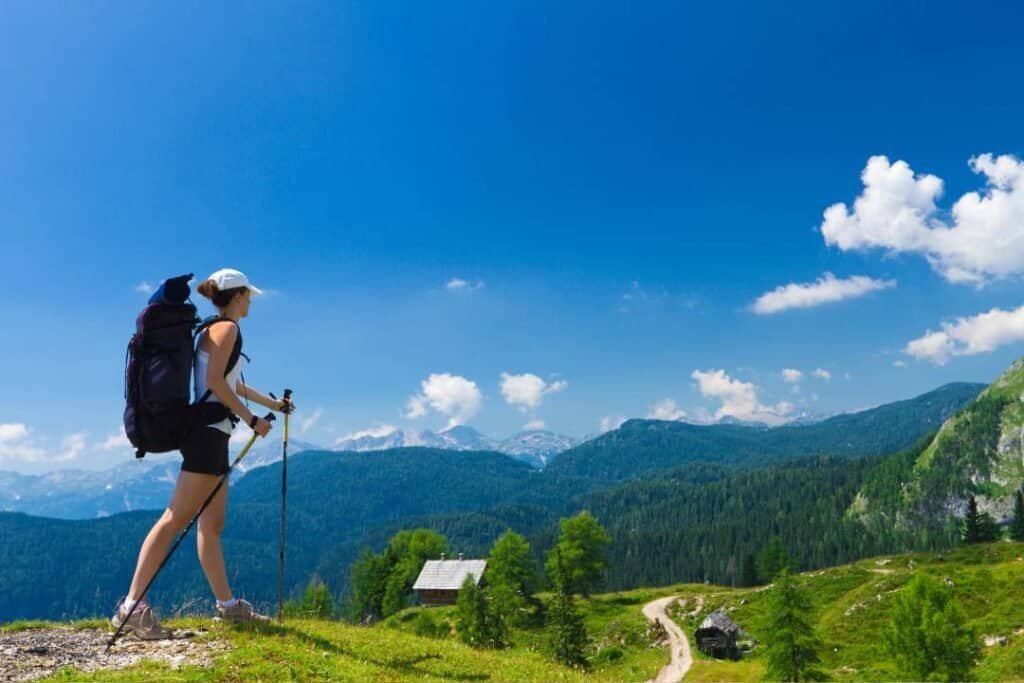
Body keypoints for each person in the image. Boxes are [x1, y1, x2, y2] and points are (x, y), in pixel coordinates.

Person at [110, 268, 293, 639]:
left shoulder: (213, 329)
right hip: (208, 433)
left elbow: (232, 382)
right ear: (238, 296)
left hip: (209, 432)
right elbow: (214, 385)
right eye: (249, 296)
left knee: (211, 525)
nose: (252, 301)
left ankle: (227, 607)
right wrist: (253, 418)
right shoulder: (228, 329)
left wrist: (272, 403)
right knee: (175, 519)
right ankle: (130, 608)